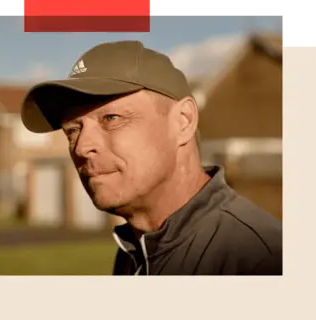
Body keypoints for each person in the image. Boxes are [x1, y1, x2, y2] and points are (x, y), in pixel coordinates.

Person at [20, 40, 282, 275]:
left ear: (183, 121)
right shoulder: (133, 252)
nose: (81, 147)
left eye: (111, 118)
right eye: (72, 131)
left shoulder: (262, 262)